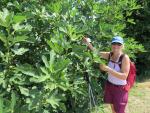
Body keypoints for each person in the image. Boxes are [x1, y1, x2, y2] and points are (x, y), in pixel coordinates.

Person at [83, 36, 130, 113]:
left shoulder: (125, 58)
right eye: (114, 43)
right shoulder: (109, 55)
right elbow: (96, 52)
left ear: (122, 46)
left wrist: (107, 69)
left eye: (118, 44)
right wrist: (88, 43)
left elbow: (124, 76)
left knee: (120, 110)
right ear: (111, 45)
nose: (116, 46)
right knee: (113, 108)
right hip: (110, 85)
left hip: (120, 88)